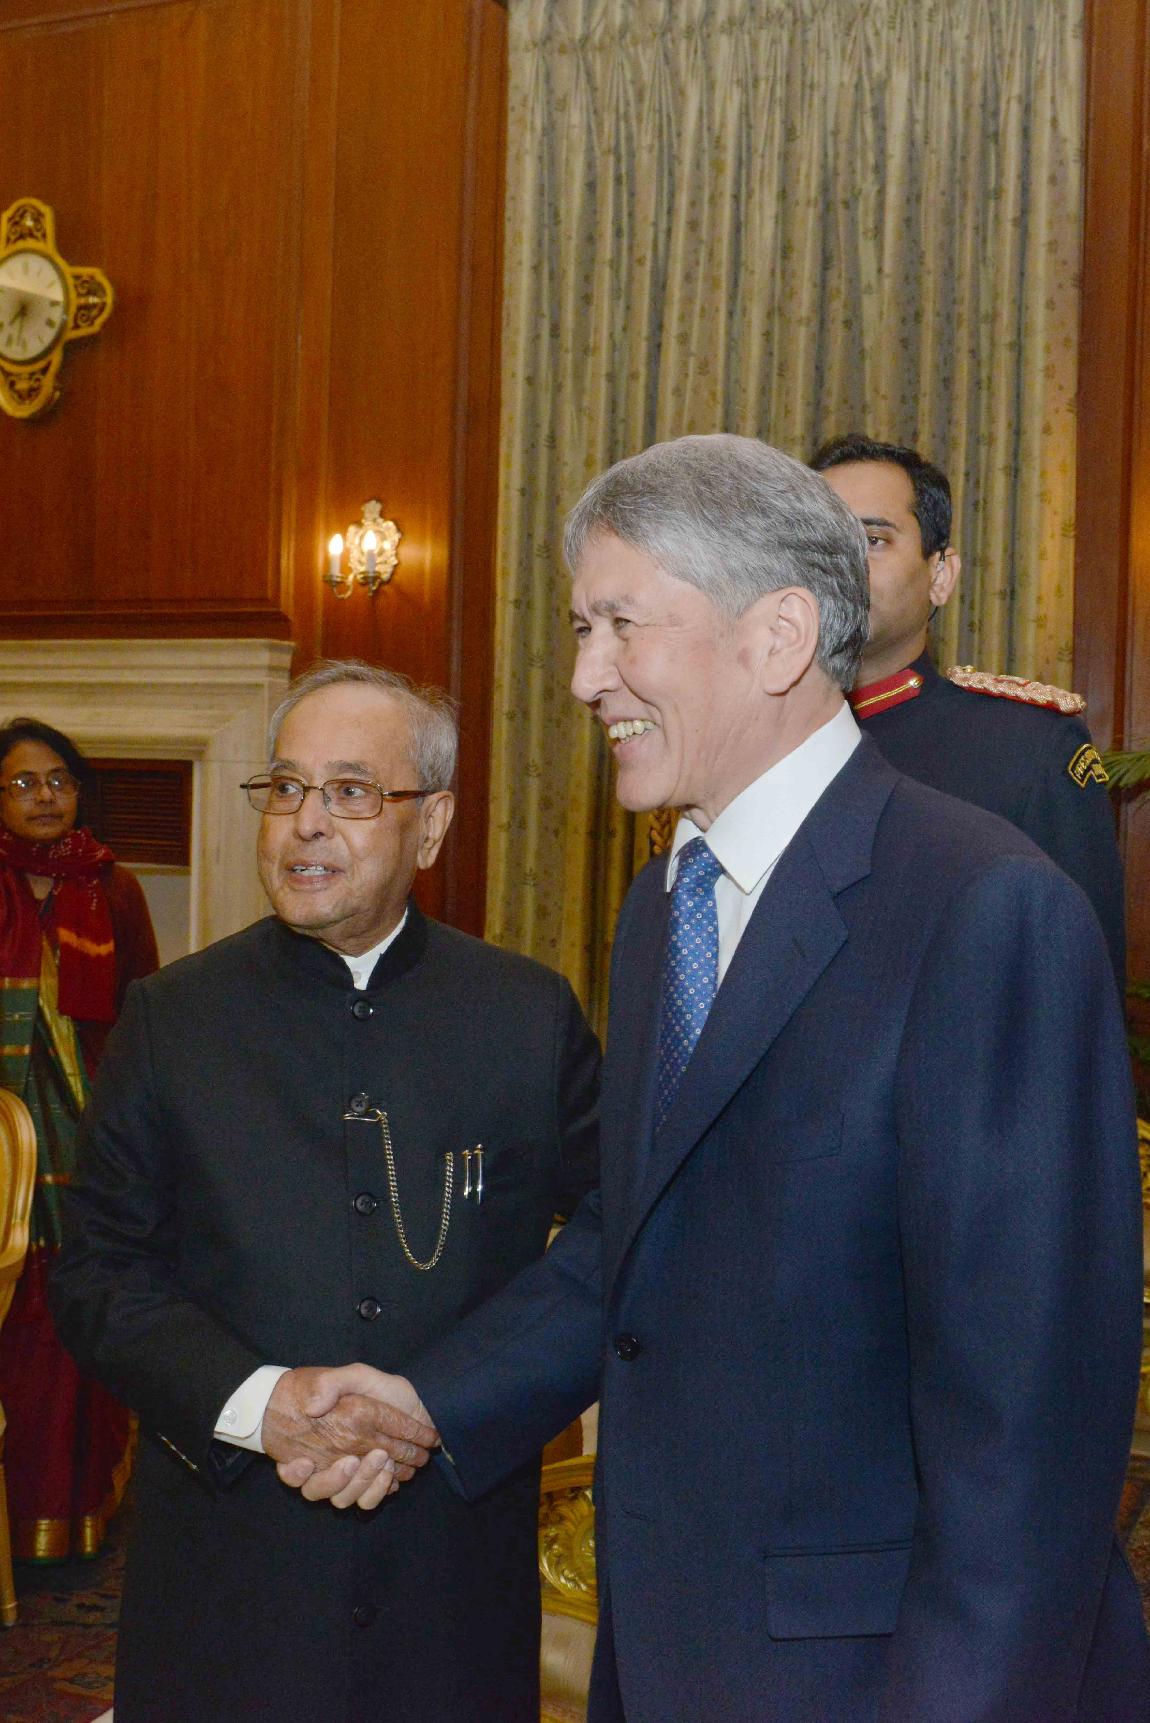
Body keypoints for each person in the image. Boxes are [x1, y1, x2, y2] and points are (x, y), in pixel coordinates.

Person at [297, 438, 1149, 1722]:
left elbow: (1027, 1425)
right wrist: (430, 1398)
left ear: (778, 636)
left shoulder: (983, 908)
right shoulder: (666, 903)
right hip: (675, 1644)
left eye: (620, 624)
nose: (583, 678)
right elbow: (637, 1237)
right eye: (579, 629)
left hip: (875, 1675)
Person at [50, 662, 599, 1723]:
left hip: (450, 1567)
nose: (305, 822)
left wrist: (447, 1399)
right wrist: (260, 1403)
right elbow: (98, 1272)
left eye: (350, 791)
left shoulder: (526, 1016)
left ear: (432, 825)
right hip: (230, 1565)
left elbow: (618, 1234)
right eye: (286, 787)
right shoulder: (171, 1018)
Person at [809, 432, 1126, 984]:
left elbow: (1079, 989)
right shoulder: (743, 743)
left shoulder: (1028, 750)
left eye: (873, 540)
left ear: (940, 575)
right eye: (818, 543)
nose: (839, 566)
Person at [0, 716, 158, 1562]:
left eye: (59, 779)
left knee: (70, 1321)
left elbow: (144, 1016)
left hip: (86, 1143)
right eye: (24, 782)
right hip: (1, 1148)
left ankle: (66, 1515)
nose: (45, 796)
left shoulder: (112, 886)